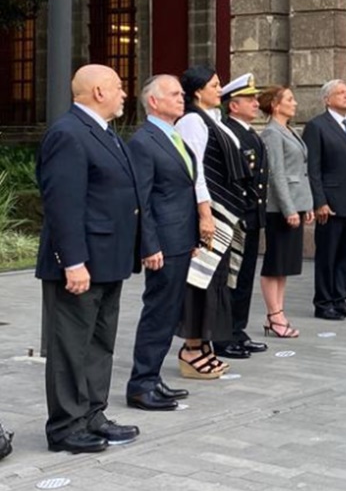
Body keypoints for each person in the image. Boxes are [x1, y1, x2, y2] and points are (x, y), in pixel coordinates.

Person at [35, 64, 141, 453]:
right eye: (118, 87)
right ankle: (65, 426)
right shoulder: (68, 134)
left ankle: (93, 414)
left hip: (108, 260)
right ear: (98, 91)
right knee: (70, 347)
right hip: (82, 263)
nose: (124, 94)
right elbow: (62, 204)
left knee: (99, 343)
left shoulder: (105, 134)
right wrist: (72, 261)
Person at [124, 75, 198, 411]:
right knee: (158, 311)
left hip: (181, 237)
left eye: (182, 94)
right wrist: (149, 245)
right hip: (163, 242)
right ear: (153, 101)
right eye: (174, 94)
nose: (182, 98)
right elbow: (143, 199)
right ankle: (141, 385)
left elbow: (181, 190)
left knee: (169, 312)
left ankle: (152, 377)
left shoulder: (172, 135)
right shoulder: (144, 141)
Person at [175, 66, 251, 380]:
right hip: (209, 214)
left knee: (215, 280)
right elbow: (195, 171)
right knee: (201, 281)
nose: (219, 90)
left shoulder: (214, 119)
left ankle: (204, 344)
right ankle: (191, 348)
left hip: (221, 212)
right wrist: (205, 213)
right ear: (197, 92)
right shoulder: (193, 120)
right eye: (214, 85)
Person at [304, 79, 346, 321]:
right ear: (327, 99)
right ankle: (323, 303)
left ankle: (340, 298)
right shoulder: (317, 126)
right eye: (340, 93)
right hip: (330, 202)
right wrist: (319, 201)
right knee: (328, 254)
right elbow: (313, 168)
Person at [214, 74, 270, 360]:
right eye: (249, 100)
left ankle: (238, 329)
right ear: (233, 105)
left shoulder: (248, 132)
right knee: (232, 278)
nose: (256, 103)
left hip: (251, 216)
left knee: (245, 277)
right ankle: (224, 336)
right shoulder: (229, 132)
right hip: (237, 218)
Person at [259, 85, 313, 338]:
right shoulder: (271, 133)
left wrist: (307, 204)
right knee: (275, 262)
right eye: (289, 99)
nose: (295, 103)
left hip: (296, 204)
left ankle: (279, 311)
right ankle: (274, 315)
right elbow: (276, 174)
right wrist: (289, 209)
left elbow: (301, 170)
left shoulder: (289, 130)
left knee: (285, 265)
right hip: (280, 208)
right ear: (275, 105)